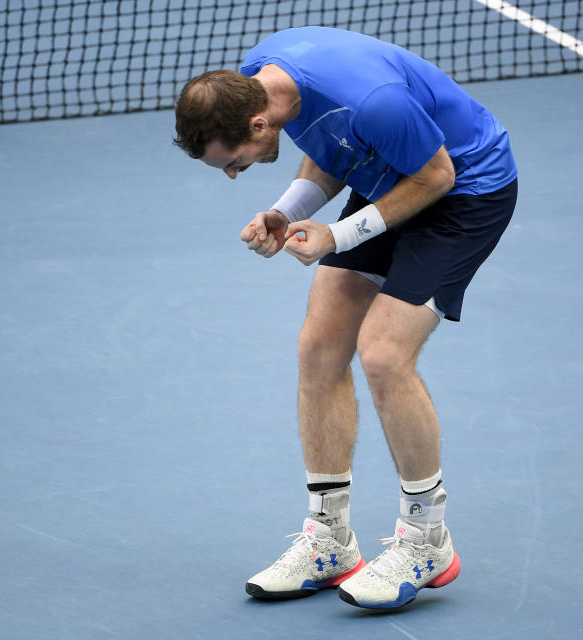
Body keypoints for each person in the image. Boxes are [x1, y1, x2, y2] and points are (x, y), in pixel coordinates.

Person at [173, 26, 517, 609]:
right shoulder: (262, 75)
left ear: (256, 126)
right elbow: (335, 145)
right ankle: (330, 539)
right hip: (392, 175)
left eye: (232, 163)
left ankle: (426, 539)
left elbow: (437, 177)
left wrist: (340, 232)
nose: (235, 174)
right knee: (319, 347)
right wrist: (288, 212)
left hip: (464, 189)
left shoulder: (372, 100)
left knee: (384, 354)